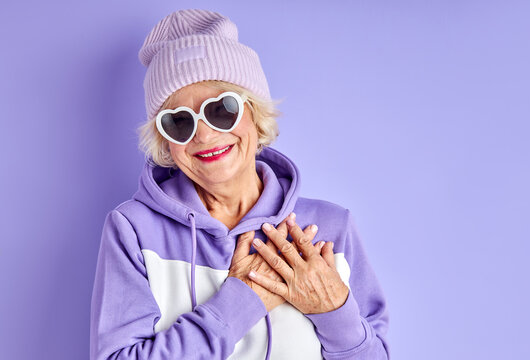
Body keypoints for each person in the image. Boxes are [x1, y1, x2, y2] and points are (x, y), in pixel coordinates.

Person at [90, 8, 390, 360]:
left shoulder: (331, 228)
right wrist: (238, 303)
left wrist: (334, 312)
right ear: (165, 140)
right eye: (179, 122)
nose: (204, 134)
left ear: (254, 111)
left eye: (221, 110)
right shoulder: (133, 231)